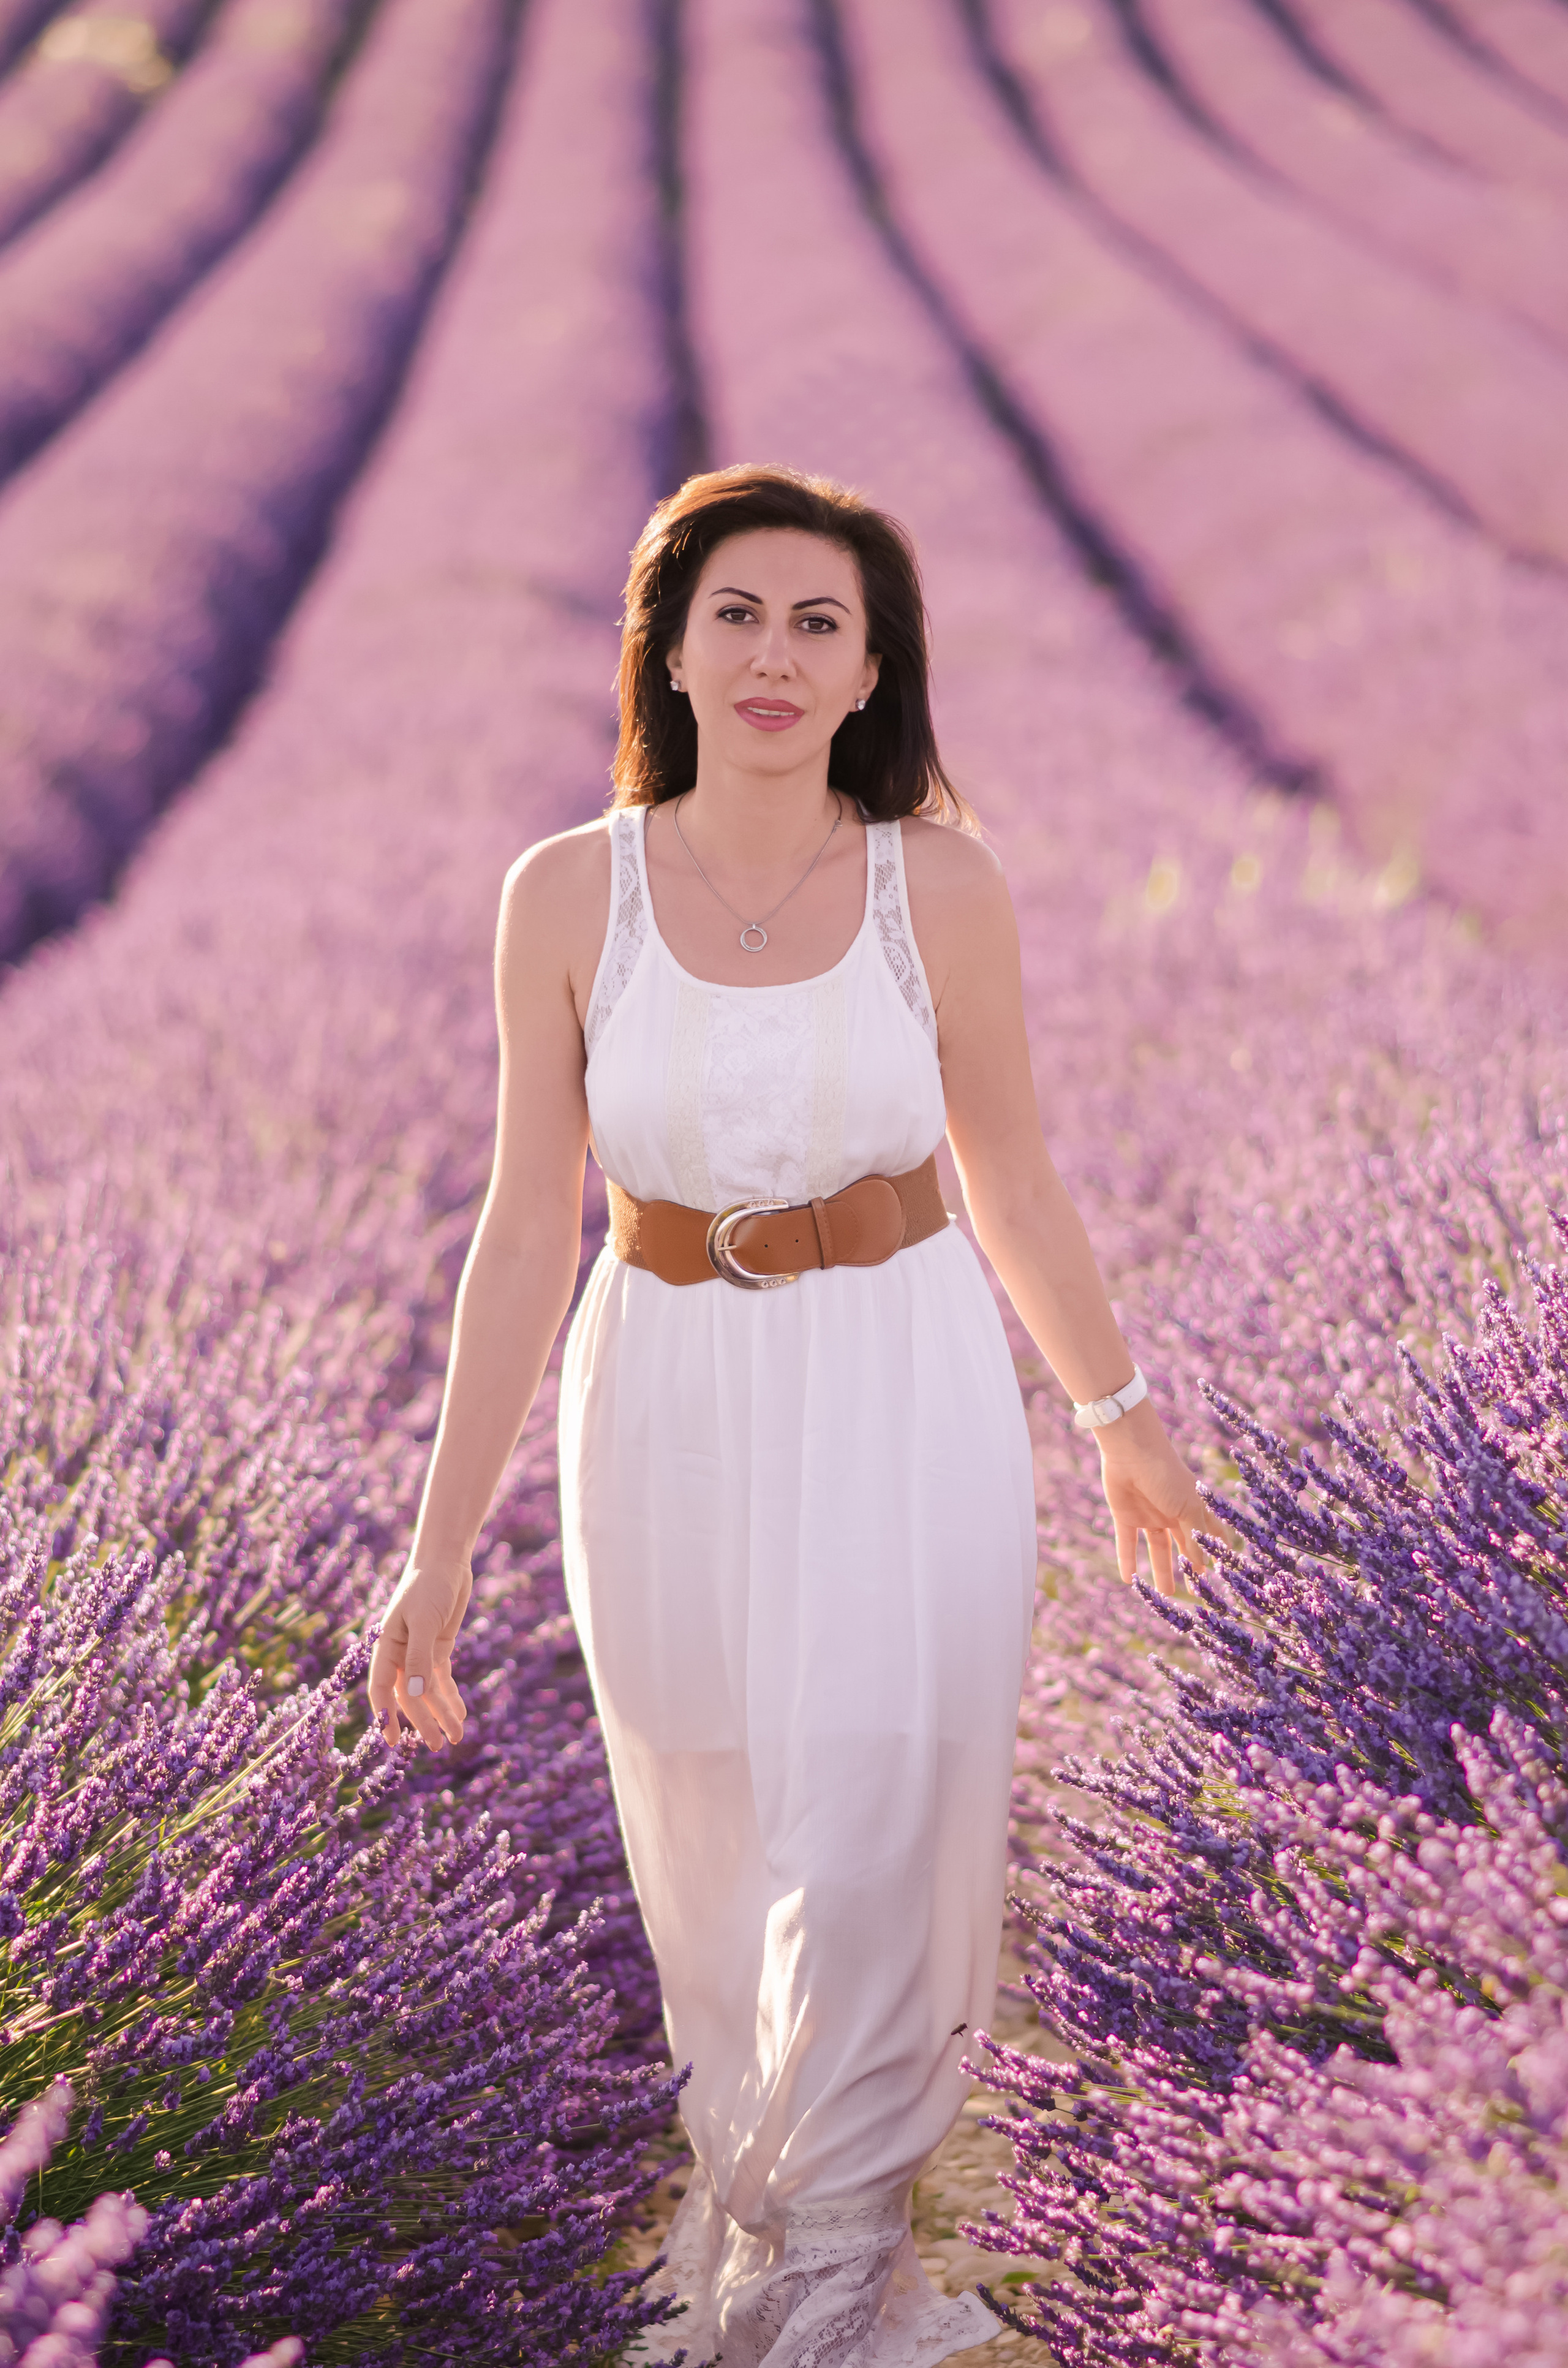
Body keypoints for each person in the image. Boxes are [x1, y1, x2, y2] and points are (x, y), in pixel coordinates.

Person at [368, 464, 1204, 2366]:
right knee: (715, 1825)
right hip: (664, 1393)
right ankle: (774, 2218)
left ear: (872, 669)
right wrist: (437, 1551)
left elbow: (1011, 1175)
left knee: (872, 1804)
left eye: (820, 622)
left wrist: (1119, 1412)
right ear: (666, 650)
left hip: (900, 1378)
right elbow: (526, 1227)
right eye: (735, 614)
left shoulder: (940, 885)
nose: (773, 654)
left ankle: (828, 2276)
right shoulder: (565, 892)